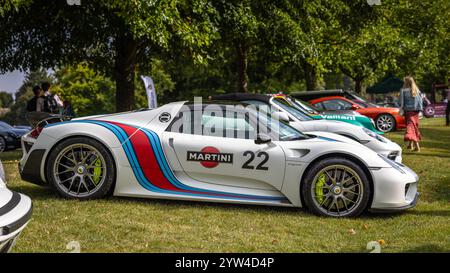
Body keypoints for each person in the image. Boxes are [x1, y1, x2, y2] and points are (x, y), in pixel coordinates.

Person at [400, 76, 423, 152]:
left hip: (408, 111)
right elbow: (420, 101)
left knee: (411, 127)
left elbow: (402, 102)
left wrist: (401, 110)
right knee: (414, 126)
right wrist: (420, 110)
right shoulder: (416, 89)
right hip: (416, 111)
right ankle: (411, 145)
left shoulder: (403, 90)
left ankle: (417, 147)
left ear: (405, 82)